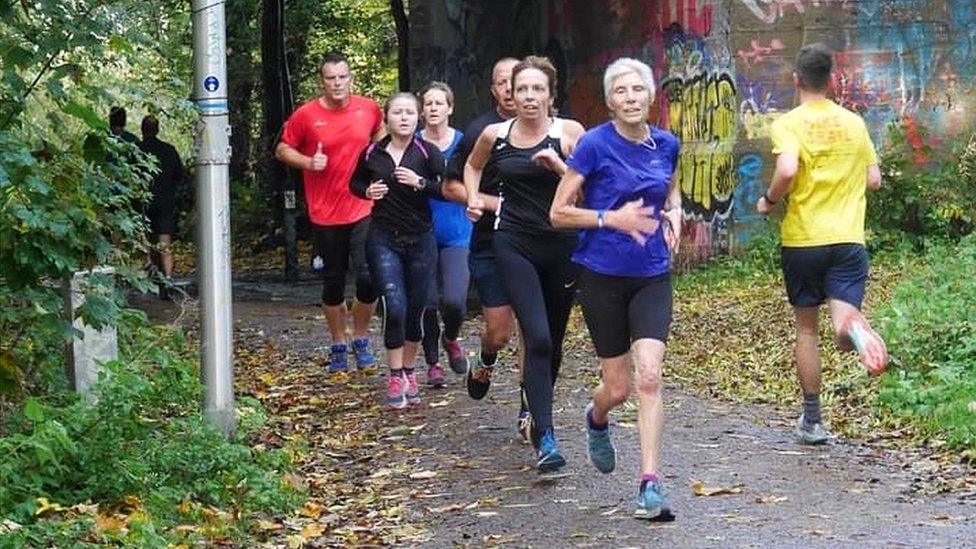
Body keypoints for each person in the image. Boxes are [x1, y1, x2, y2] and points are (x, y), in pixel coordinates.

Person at [550, 58, 682, 520]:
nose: (630, 98)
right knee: (619, 387)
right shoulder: (593, 145)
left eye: (638, 90)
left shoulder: (666, 143)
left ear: (650, 96)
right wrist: (612, 218)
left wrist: (676, 216)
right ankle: (596, 416)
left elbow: (671, 190)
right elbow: (558, 212)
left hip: (651, 274)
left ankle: (650, 483)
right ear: (610, 101)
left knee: (649, 376)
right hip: (601, 275)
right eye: (621, 91)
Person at [756, 43, 888, 445]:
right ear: (832, 80)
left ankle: (812, 422)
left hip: (804, 240)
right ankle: (856, 332)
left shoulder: (788, 123)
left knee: (807, 331)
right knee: (842, 323)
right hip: (848, 239)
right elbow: (874, 179)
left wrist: (771, 199)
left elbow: (788, 168)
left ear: (797, 79)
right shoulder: (854, 123)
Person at [464, 56, 585, 472]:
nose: (529, 97)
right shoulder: (495, 135)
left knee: (552, 340)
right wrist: (473, 198)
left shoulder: (569, 133)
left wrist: (560, 167)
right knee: (536, 337)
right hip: (513, 244)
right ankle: (545, 437)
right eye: (522, 90)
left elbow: (591, 190)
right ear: (510, 95)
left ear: (551, 95)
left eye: (538, 90)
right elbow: (472, 166)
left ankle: (534, 409)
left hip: (563, 246)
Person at [276, 52, 384, 374]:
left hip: (363, 206)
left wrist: (377, 163)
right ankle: (338, 341)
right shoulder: (306, 115)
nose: (338, 83)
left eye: (342, 77)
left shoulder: (368, 108)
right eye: (331, 78)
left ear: (350, 78)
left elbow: (379, 135)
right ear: (321, 81)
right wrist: (309, 163)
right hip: (324, 212)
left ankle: (361, 337)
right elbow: (282, 149)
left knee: (368, 277)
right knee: (333, 284)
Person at [442, 57, 532, 439]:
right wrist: (488, 202)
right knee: (499, 331)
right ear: (493, 90)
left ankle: (532, 410)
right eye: (502, 82)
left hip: (534, 242)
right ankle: (486, 356)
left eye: (518, 81)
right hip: (490, 243)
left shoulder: (553, 128)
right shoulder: (481, 131)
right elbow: (450, 186)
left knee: (534, 330)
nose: (511, 88)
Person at [349, 92, 445, 409]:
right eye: (397, 112)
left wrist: (420, 183)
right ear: (387, 119)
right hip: (383, 237)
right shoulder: (372, 153)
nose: (404, 118)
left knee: (417, 307)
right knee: (395, 304)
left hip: (420, 238)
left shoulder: (428, 153)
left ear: (417, 118)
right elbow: (355, 184)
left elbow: (445, 189)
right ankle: (393, 374)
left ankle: (409, 371)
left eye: (409, 113)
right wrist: (368, 191)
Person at [417, 82, 468, 388]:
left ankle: (451, 338)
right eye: (429, 103)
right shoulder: (412, 144)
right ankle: (433, 362)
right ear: (422, 110)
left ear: (450, 108)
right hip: (420, 231)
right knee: (426, 301)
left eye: (439, 103)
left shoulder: (463, 143)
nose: (433, 108)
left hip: (457, 232)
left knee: (454, 300)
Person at [138, 115, 185, 296]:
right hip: (166, 202)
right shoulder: (169, 150)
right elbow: (180, 176)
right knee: (165, 243)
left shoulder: (137, 150)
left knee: (149, 241)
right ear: (157, 130)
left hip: (144, 202)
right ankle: (168, 280)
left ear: (142, 130)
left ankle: (154, 277)